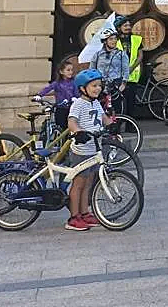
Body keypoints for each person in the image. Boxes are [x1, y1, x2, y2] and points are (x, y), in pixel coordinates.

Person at [66, 69, 111, 231]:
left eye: (99, 85)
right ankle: (73, 217)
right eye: (93, 86)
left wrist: (112, 124)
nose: (97, 89)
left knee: (89, 183)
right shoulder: (78, 104)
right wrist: (78, 131)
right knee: (78, 184)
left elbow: (104, 118)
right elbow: (71, 121)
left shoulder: (96, 103)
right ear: (83, 88)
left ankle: (84, 213)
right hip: (81, 150)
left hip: (94, 149)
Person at [90, 25, 129, 112]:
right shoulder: (98, 55)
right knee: (99, 108)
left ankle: (116, 124)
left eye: (115, 39)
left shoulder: (121, 54)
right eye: (111, 39)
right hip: (101, 85)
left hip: (116, 85)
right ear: (105, 41)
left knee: (117, 109)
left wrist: (124, 83)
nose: (114, 41)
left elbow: (126, 70)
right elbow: (92, 70)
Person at [115, 15, 142, 114]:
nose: (128, 27)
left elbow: (140, 56)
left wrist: (132, 67)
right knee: (117, 103)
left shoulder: (136, 39)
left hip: (132, 76)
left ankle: (130, 125)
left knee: (131, 102)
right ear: (119, 28)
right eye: (125, 25)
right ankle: (118, 124)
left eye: (129, 25)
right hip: (118, 76)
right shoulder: (114, 40)